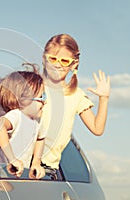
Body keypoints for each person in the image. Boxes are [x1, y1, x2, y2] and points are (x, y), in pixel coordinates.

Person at [39, 34, 111, 175]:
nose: (57, 65)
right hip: (21, 162)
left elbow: (97, 128)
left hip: (47, 170)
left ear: (74, 64)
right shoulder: (32, 86)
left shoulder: (76, 96)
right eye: (52, 59)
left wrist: (104, 98)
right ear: (44, 58)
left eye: (65, 61)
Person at [0, 65, 47, 179]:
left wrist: (36, 162)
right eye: (41, 97)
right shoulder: (17, 115)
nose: (45, 102)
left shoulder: (36, 121)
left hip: (19, 176)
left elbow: (41, 138)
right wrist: (12, 159)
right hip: (3, 174)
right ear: (24, 100)